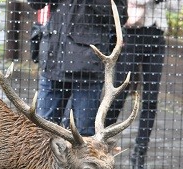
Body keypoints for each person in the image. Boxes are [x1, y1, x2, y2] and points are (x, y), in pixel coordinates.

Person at [27, 0, 127, 137]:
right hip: (53, 63)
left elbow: (119, 15)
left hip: (87, 70)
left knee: (84, 137)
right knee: (43, 132)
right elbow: (35, 3)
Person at [105, 0, 182, 169]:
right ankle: (101, 144)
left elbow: (176, 8)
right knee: (119, 93)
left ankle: (140, 155)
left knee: (151, 100)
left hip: (156, 38)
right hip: (133, 35)